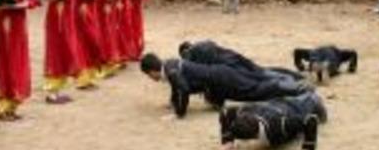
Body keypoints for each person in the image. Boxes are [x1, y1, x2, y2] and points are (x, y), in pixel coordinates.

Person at [139, 53, 312, 118]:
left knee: (254, 92)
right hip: (221, 74)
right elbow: (176, 87)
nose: (151, 79)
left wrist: (179, 114)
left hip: (222, 80)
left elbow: (182, 89)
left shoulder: (171, 72)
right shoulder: (170, 64)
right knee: (256, 81)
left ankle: (296, 88)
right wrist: (172, 102)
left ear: (151, 71)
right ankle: (291, 83)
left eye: (148, 76)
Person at [44, 0, 83, 102]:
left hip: (67, 10)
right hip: (57, 11)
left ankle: (59, 88)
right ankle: (52, 90)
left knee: (66, 45)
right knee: (56, 47)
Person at [219, 93, 327, 150]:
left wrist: (308, 147)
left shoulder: (278, 126)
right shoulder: (244, 112)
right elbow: (225, 113)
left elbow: (310, 120)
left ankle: (315, 99)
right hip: (273, 103)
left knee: (311, 99)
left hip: (295, 107)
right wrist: (227, 140)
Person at [180, 40, 303, 81]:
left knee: (260, 76)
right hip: (234, 57)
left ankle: (289, 79)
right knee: (262, 70)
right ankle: (294, 76)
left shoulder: (193, 54)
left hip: (231, 65)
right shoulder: (204, 44)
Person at [293, 46, 358, 83]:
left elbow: (297, 51)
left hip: (317, 51)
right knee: (331, 63)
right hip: (333, 54)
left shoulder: (315, 51)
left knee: (314, 58)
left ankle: (315, 64)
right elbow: (353, 53)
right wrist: (352, 68)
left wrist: (299, 65)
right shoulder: (339, 53)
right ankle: (326, 68)